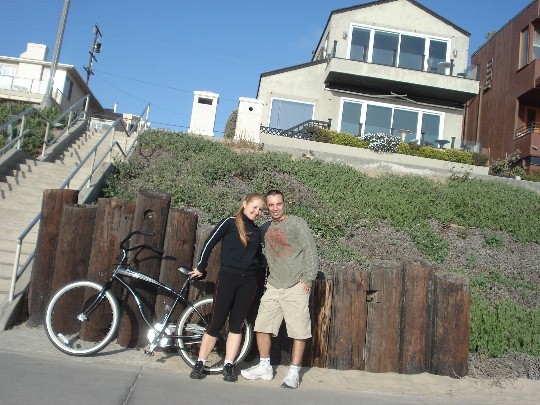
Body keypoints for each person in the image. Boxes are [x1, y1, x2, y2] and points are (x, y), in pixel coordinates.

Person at [241, 189, 318, 389]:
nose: (275, 208)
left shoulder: (297, 223)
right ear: (267, 206)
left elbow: (310, 250)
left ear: (284, 203)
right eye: (271, 205)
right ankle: (265, 366)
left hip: (296, 286)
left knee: (298, 331)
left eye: (279, 204)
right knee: (262, 326)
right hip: (274, 285)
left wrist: (307, 280)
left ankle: (294, 372)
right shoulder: (265, 228)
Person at [188, 193, 265, 382]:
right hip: (228, 278)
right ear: (244, 204)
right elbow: (210, 242)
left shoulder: (256, 231)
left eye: (260, 209)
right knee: (216, 322)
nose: (256, 211)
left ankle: (229, 365)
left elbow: (257, 256)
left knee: (237, 325)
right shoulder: (230, 222)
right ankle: (200, 362)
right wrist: (201, 266)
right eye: (254, 207)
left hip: (248, 283)